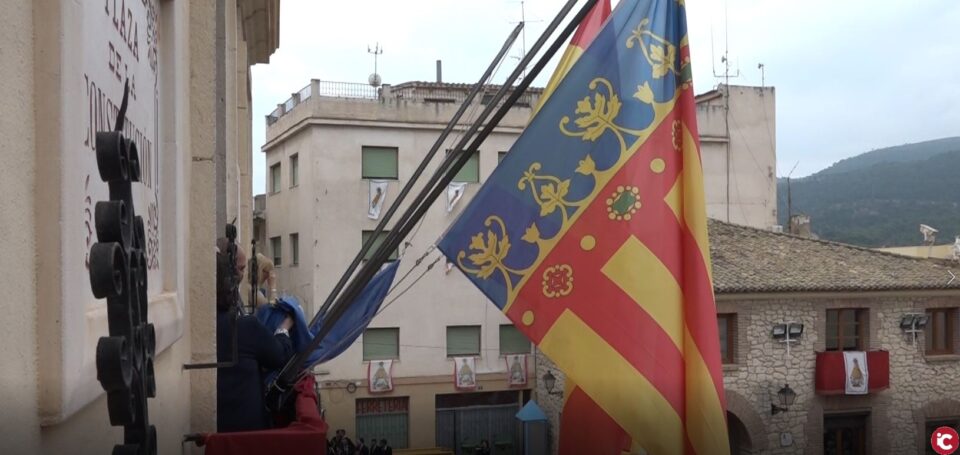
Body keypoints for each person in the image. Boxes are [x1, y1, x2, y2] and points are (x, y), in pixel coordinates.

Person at [216, 238, 294, 432]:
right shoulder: (244, 326)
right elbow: (279, 355)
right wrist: (285, 327)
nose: (242, 275)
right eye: (240, 269)